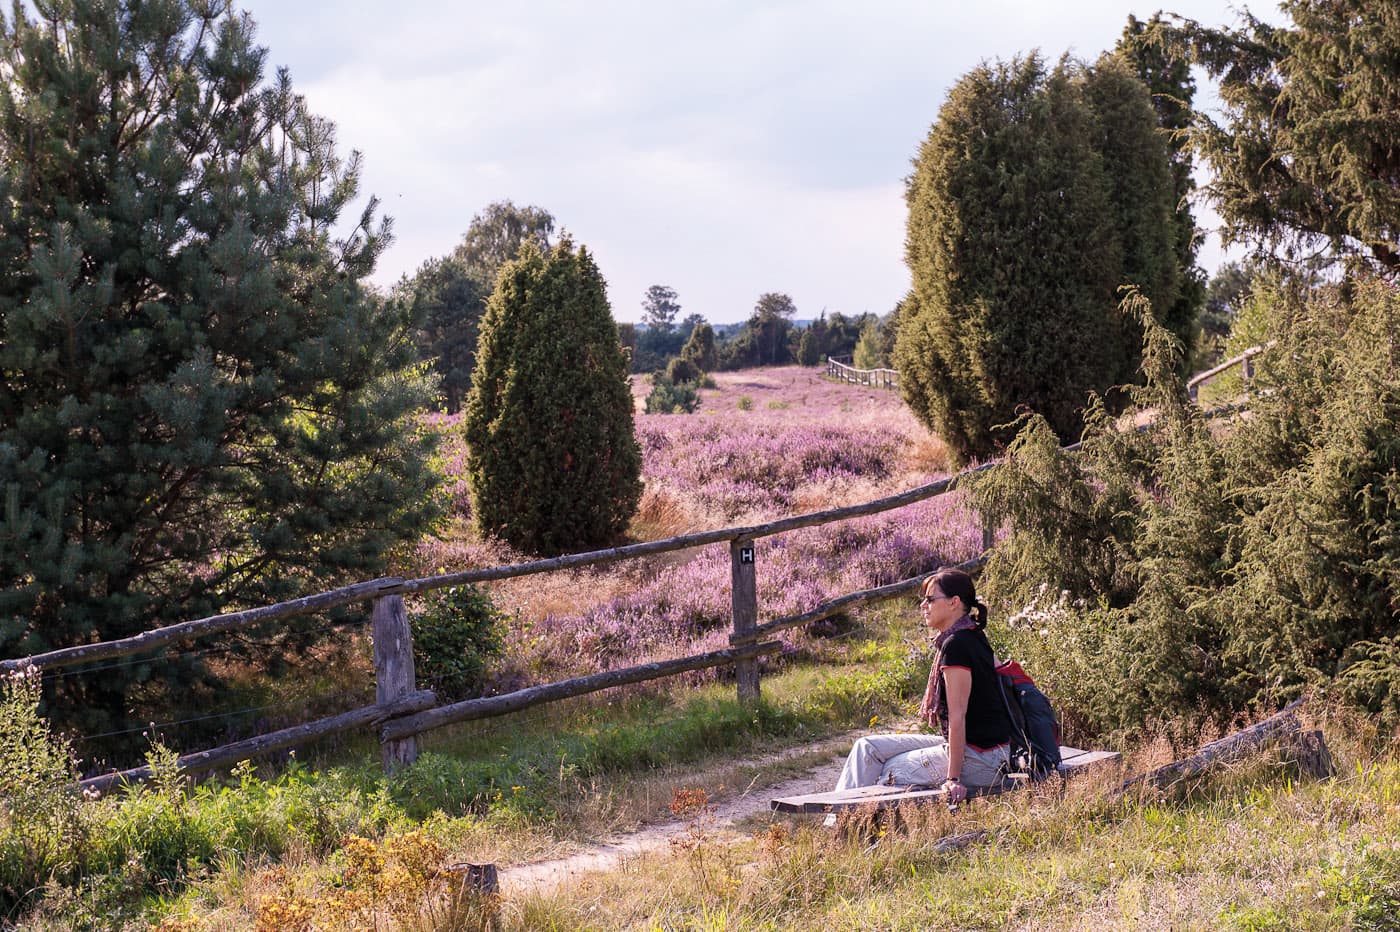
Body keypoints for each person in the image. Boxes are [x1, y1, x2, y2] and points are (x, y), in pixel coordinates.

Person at [833, 567, 1012, 804]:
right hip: (982, 751)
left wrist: (954, 779)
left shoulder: (957, 645)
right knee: (866, 747)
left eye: (930, 599)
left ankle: (843, 828)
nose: (922, 606)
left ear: (953, 602)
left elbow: (958, 717)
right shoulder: (972, 634)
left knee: (887, 770)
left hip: (981, 760)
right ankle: (838, 822)